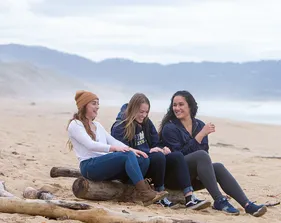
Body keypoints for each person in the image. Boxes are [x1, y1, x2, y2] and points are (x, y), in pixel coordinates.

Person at [159, 90, 267, 217]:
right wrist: (199, 136)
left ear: (190, 106)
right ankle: (219, 200)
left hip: (193, 177)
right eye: (174, 105)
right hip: (174, 178)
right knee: (201, 156)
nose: (177, 108)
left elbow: (204, 154)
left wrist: (202, 171)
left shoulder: (200, 125)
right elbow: (178, 158)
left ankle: (248, 205)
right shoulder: (170, 128)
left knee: (218, 167)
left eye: (181, 104)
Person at [67, 90, 168, 207]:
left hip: (103, 164)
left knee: (143, 158)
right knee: (127, 155)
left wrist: (132, 149)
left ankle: (131, 191)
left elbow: (113, 140)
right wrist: (115, 149)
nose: (97, 107)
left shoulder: (97, 126)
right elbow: (91, 145)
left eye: (98, 104)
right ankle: (144, 192)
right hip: (89, 166)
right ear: (84, 106)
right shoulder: (75, 124)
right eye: (94, 103)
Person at [111, 93, 210, 210]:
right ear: (133, 109)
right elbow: (124, 152)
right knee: (158, 156)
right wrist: (149, 151)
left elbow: (156, 142)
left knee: (176, 156)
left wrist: (163, 148)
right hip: (135, 167)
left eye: (146, 112)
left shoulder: (146, 123)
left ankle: (189, 197)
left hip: (149, 160)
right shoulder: (119, 126)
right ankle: (160, 194)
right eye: (141, 112)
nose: (144, 115)